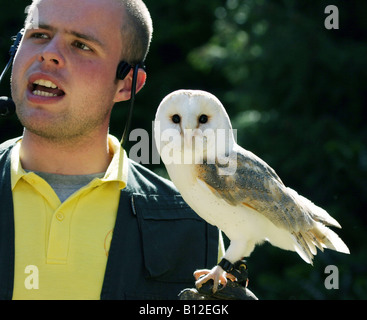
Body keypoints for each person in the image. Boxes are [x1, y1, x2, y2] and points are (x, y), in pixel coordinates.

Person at [0, 0, 219, 300]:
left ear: (126, 84)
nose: (48, 53)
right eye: (38, 35)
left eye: (81, 45)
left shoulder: (193, 226)